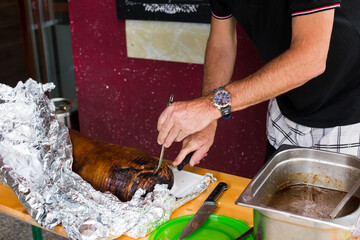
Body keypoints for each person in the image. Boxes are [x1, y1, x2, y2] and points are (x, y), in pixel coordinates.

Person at [157, 0, 360, 167]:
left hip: (348, 114)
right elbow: (222, 44)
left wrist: (211, 106)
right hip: (285, 109)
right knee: (276, 212)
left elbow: (310, 60)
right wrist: (208, 119)